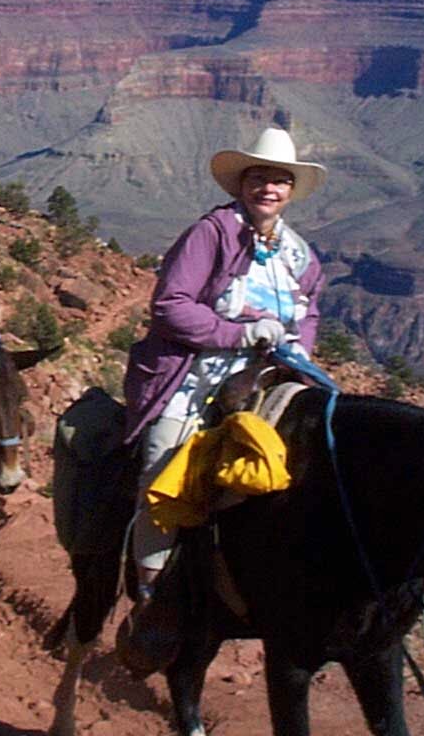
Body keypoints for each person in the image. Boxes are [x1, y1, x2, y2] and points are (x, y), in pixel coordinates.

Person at [123, 127, 327, 600]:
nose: (268, 189)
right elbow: (170, 304)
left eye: (280, 180)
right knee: (165, 460)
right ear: (241, 184)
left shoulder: (299, 253)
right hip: (201, 368)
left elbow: (310, 311)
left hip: (276, 367)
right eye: (259, 178)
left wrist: (301, 350)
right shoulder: (212, 233)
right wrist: (238, 334)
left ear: (291, 190)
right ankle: (150, 588)